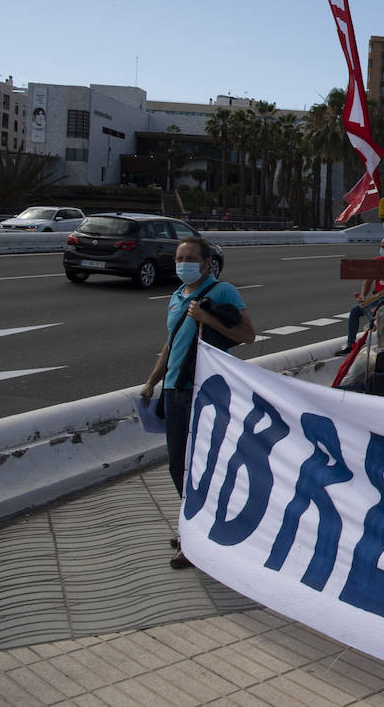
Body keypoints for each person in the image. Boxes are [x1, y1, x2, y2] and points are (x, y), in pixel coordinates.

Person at [139, 236, 256, 569]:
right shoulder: (177, 296)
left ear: (207, 263)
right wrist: (152, 381)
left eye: (191, 258)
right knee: (179, 464)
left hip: (205, 392)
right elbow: (171, 343)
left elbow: (248, 335)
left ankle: (196, 535)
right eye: (179, 257)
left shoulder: (222, 291)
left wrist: (209, 321)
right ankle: (195, 526)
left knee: (200, 465)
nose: (183, 263)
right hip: (176, 391)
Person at [341, 237, 384, 354]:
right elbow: (368, 280)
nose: (382, 249)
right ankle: (351, 344)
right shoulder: (377, 261)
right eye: (381, 247)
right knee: (355, 311)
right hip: (377, 299)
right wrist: (363, 296)